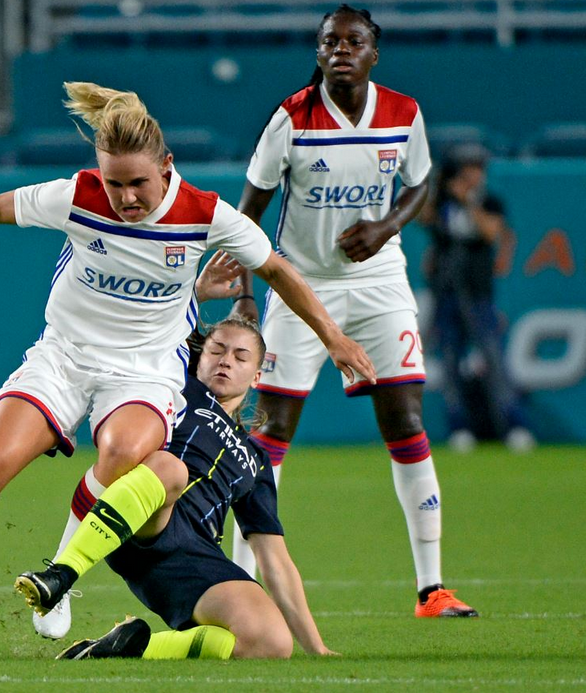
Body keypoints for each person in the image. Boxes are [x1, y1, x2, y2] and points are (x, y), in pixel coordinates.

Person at [0, 81, 375, 653]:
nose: (126, 197)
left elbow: (277, 270)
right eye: (115, 183)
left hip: (143, 369)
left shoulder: (205, 214)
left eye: (138, 183)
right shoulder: (77, 196)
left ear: (167, 167)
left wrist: (335, 338)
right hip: (64, 355)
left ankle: (59, 578)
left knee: (124, 453)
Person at [227, 4, 478, 618]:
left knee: (406, 420)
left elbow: (420, 184)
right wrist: (243, 290)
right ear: (317, 53)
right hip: (300, 282)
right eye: (330, 41)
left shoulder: (403, 113)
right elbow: (248, 208)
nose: (341, 49)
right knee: (270, 431)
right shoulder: (289, 119)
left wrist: (387, 224)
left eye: (354, 40)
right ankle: (238, 586)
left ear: (374, 52)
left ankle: (431, 588)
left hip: (380, 281)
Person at [21, 308, 336, 660]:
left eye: (240, 356)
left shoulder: (256, 459)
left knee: (271, 643)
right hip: (142, 515)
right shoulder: (176, 386)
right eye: (217, 350)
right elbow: (153, 317)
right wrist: (201, 286)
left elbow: (274, 558)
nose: (225, 361)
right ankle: (61, 576)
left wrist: (317, 648)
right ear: (199, 356)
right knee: (172, 468)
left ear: (258, 376)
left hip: (194, 556)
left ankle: (129, 648)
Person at [421, 144, 535, 453]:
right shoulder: (444, 205)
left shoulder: (490, 202)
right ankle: (459, 427)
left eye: (479, 169)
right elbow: (423, 217)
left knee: (494, 360)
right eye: (469, 169)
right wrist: (436, 187)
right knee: (450, 362)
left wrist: (469, 200)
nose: (475, 174)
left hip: (478, 294)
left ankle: (514, 425)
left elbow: (489, 233)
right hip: (446, 294)